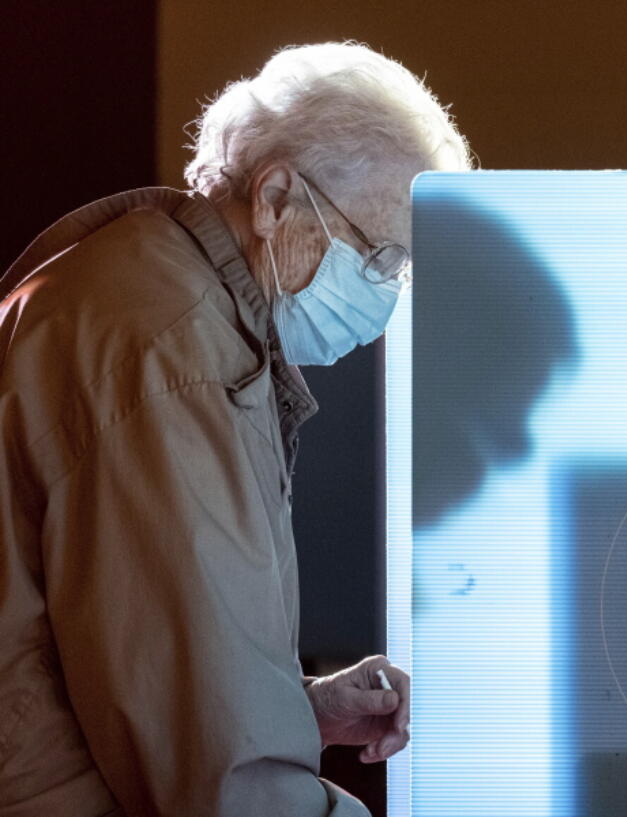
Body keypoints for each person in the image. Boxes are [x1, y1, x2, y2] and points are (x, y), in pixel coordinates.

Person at [0, 42, 470, 815]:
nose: (386, 293)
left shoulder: (156, 287)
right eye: (380, 257)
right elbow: (226, 791)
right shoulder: (174, 354)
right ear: (276, 198)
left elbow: (136, 662)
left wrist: (298, 708)